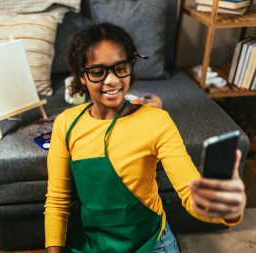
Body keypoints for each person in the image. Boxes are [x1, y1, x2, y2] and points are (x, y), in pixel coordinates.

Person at [44, 23, 246, 253]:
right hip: (93, 244)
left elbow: (190, 194)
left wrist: (224, 208)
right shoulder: (66, 124)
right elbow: (57, 201)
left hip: (151, 244)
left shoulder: (156, 121)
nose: (112, 80)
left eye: (120, 68)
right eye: (98, 72)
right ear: (81, 77)